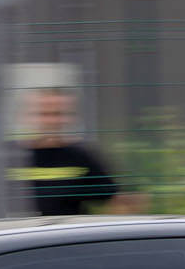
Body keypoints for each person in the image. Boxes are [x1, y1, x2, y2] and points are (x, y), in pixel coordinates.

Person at [16, 88, 123, 216]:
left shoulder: (81, 156)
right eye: (43, 114)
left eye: (58, 114)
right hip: (16, 228)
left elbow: (113, 197)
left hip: (67, 228)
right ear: (25, 116)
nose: (52, 121)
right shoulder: (10, 157)